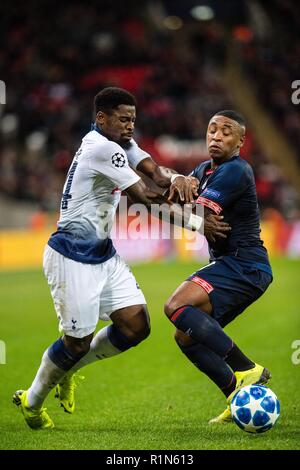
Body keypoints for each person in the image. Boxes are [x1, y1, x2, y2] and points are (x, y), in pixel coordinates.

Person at [13, 87, 230, 430]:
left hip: (103, 253)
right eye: (124, 119)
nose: (131, 126)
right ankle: (33, 401)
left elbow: (157, 175)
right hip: (71, 256)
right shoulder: (102, 150)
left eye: (133, 119)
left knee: (135, 326)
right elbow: (145, 199)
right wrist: (196, 222)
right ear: (101, 118)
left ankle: (69, 369)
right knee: (77, 342)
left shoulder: (121, 144)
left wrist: (183, 181)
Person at [164, 110, 273, 424]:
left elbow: (194, 215)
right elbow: (179, 199)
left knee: (175, 305)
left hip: (244, 264)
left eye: (226, 132)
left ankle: (246, 368)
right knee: (186, 336)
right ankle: (236, 397)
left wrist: (180, 203)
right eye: (212, 130)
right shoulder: (204, 169)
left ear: (240, 141)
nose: (216, 136)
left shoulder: (235, 171)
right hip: (238, 266)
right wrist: (178, 180)